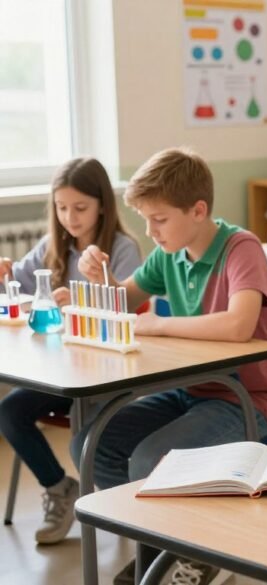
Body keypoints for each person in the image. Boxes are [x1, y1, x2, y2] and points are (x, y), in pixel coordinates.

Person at [72, 147, 267, 582]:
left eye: (159, 219)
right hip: (192, 389)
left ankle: (184, 550)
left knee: (150, 460)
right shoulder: (170, 253)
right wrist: (102, 280)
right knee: (90, 445)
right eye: (145, 219)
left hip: (247, 399)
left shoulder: (241, 248)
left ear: (198, 210)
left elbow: (239, 324)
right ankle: (174, 541)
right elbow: (124, 301)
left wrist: (160, 324)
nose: (150, 231)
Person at [0, 157, 141, 544]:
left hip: (109, 378)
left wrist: (81, 301)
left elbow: (127, 309)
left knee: (93, 439)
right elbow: (18, 286)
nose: (70, 218)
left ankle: (131, 515)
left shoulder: (122, 249)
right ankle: (60, 488)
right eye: (61, 208)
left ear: (102, 206)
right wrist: (5, 275)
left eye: (80, 208)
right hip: (64, 374)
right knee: (9, 411)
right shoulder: (53, 247)